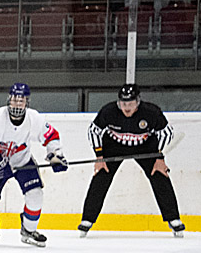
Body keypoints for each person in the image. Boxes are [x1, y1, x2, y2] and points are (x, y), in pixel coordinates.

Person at [0, 82, 68, 248]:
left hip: (22, 162)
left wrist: (55, 155)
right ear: (9, 100)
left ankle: (29, 231)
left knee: (36, 195)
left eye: (21, 101)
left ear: (27, 102)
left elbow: (51, 136)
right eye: (14, 100)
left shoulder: (34, 118)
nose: (17, 104)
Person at [79, 84, 185, 238]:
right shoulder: (109, 111)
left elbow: (166, 133)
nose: (126, 108)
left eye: (130, 104)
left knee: (160, 176)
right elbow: (93, 131)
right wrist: (99, 157)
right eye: (123, 104)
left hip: (145, 147)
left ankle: (173, 218)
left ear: (138, 102)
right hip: (114, 146)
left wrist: (159, 157)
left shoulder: (151, 112)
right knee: (101, 176)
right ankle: (87, 219)